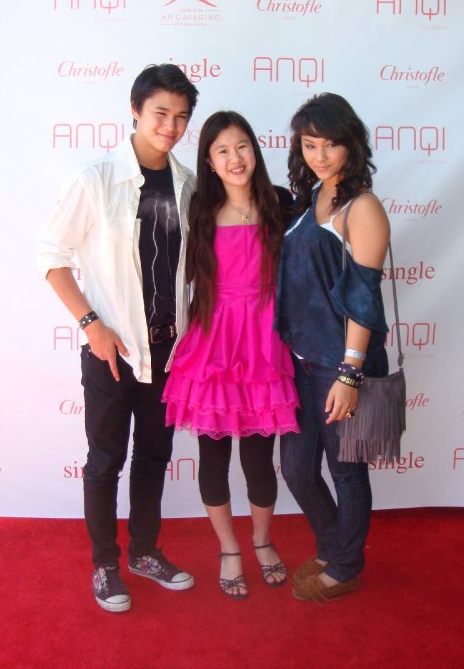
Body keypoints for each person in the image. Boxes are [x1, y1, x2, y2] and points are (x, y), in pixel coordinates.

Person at [37, 64, 199, 613]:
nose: (171, 126)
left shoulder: (188, 185)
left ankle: (145, 553)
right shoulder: (96, 178)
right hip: (111, 354)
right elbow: (51, 258)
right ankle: (106, 564)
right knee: (106, 460)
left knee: (154, 456)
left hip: (169, 354)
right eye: (160, 114)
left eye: (181, 117)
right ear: (135, 110)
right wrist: (91, 325)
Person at [162, 111, 299, 600]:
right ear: (210, 161)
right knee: (213, 457)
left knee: (261, 458)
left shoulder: (281, 203)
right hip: (214, 341)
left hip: (265, 341)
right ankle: (228, 549)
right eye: (222, 150)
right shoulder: (197, 210)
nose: (235, 158)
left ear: (255, 151)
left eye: (242, 146)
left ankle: (263, 541)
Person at [274, 93, 390, 603]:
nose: (320, 155)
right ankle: (333, 544)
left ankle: (345, 567)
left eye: (330, 144)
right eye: (310, 144)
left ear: (351, 144)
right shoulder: (310, 197)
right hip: (300, 361)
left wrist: (350, 373)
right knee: (297, 468)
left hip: (342, 365)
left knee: (346, 471)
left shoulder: (361, 207)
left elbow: (364, 299)